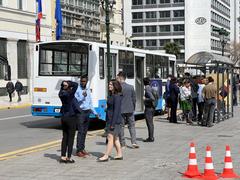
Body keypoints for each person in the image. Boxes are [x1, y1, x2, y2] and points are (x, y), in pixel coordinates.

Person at [97, 80, 123, 162]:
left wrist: (112, 124)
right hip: (110, 119)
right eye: (109, 84)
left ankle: (106, 156)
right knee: (115, 139)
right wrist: (106, 110)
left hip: (114, 121)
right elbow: (111, 108)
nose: (109, 86)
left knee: (110, 137)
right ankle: (119, 154)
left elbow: (116, 111)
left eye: (111, 84)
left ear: (115, 86)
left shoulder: (117, 96)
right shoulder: (111, 95)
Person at [75, 75, 98, 158]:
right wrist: (82, 96)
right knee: (80, 131)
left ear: (87, 81)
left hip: (87, 112)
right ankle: (78, 150)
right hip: (80, 112)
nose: (82, 83)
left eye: (84, 81)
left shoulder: (87, 89)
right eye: (81, 81)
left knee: (85, 132)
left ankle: (82, 148)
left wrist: (95, 113)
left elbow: (90, 102)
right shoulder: (77, 89)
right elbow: (75, 100)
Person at [117, 72, 139, 149]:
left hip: (121, 110)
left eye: (117, 78)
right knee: (132, 126)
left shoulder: (118, 88)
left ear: (120, 78)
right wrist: (133, 107)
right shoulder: (131, 87)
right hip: (130, 109)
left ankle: (123, 144)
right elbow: (134, 99)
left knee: (121, 127)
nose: (117, 79)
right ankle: (134, 142)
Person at [58, 80, 78, 163]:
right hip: (71, 117)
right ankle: (69, 157)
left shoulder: (61, 93)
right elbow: (76, 84)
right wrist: (68, 82)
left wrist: (63, 83)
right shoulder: (70, 94)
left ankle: (63, 156)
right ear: (69, 87)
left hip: (63, 117)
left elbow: (61, 87)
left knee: (65, 137)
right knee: (71, 137)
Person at [143, 77, 155, 142]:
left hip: (149, 108)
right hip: (152, 108)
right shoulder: (150, 87)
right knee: (151, 123)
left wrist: (145, 99)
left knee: (149, 123)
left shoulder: (147, 89)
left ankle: (151, 138)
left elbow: (152, 98)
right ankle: (151, 136)